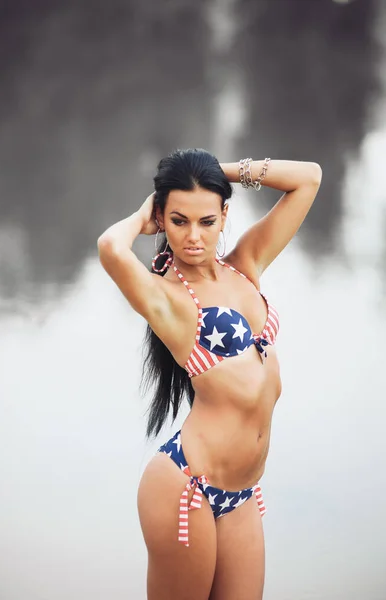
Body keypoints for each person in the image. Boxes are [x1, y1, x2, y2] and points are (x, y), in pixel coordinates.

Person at [97, 149, 322, 600]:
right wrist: (146, 215)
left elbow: (309, 178)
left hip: (241, 492)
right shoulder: (168, 299)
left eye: (206, 221)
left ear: (224, 215)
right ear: (163, 219)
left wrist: (221, 171)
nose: (194, 238)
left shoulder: (246, 265)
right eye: (179, 221)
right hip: (185, 487)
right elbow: (110, 248)